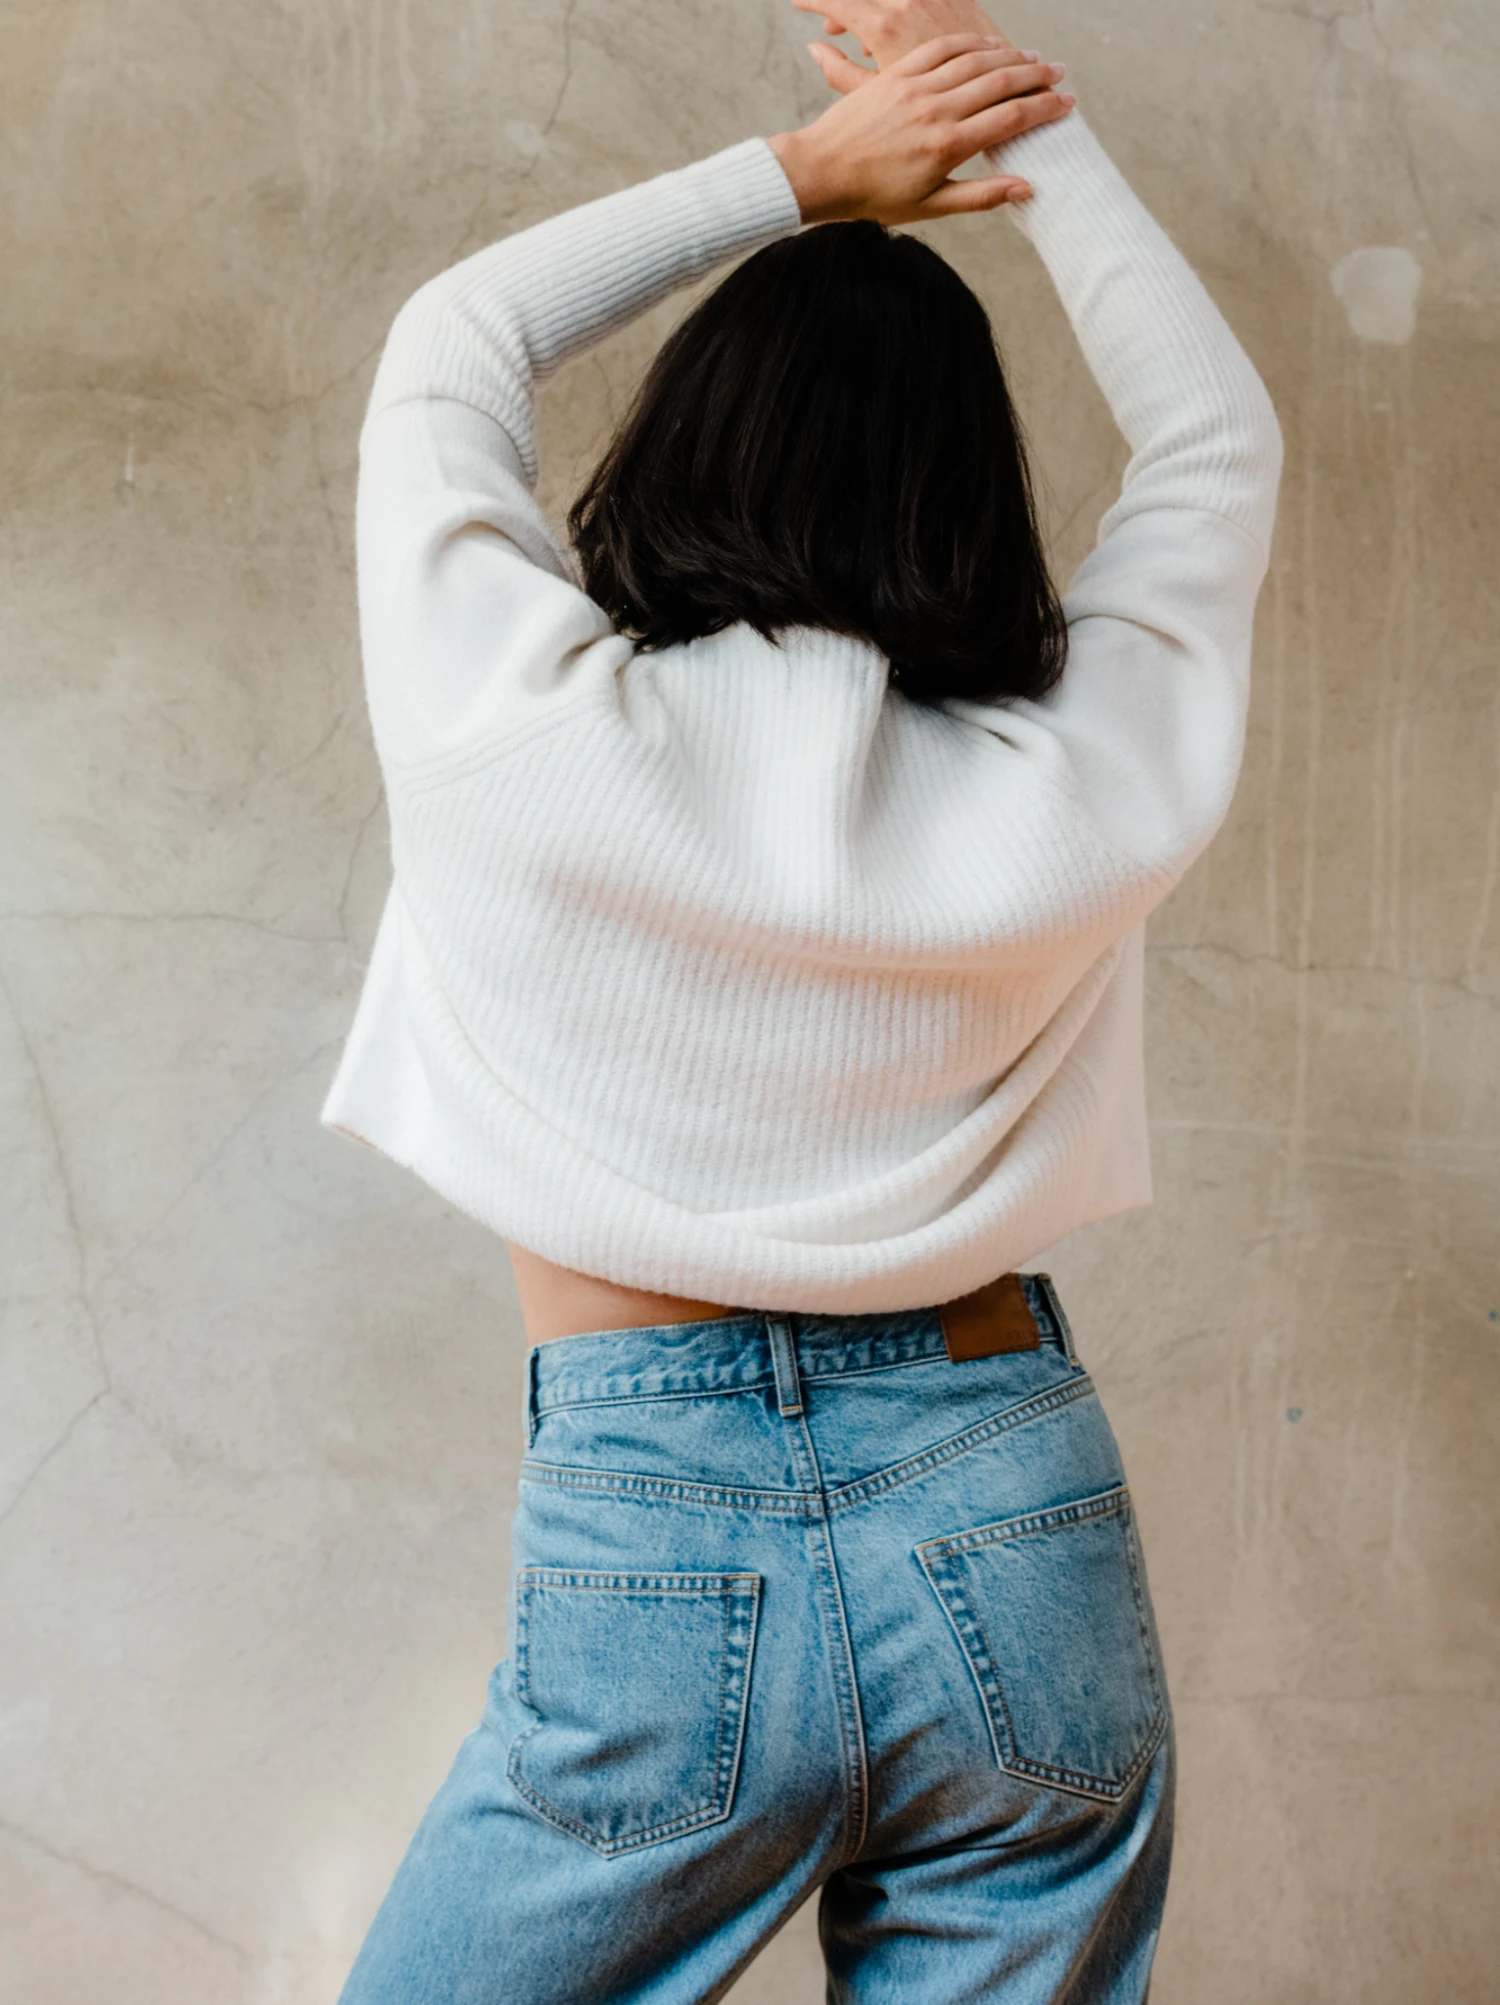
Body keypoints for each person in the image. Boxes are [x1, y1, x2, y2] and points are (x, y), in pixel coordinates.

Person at [324, 0, 1282, 1996]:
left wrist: (805, 175)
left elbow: (451, 345)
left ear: (685, 439)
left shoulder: (518, 730)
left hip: (655, 1523)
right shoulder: (1075, 787)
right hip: (1012, 1501)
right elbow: (1214, 445)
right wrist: (1023, 125)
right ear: (979, 496)